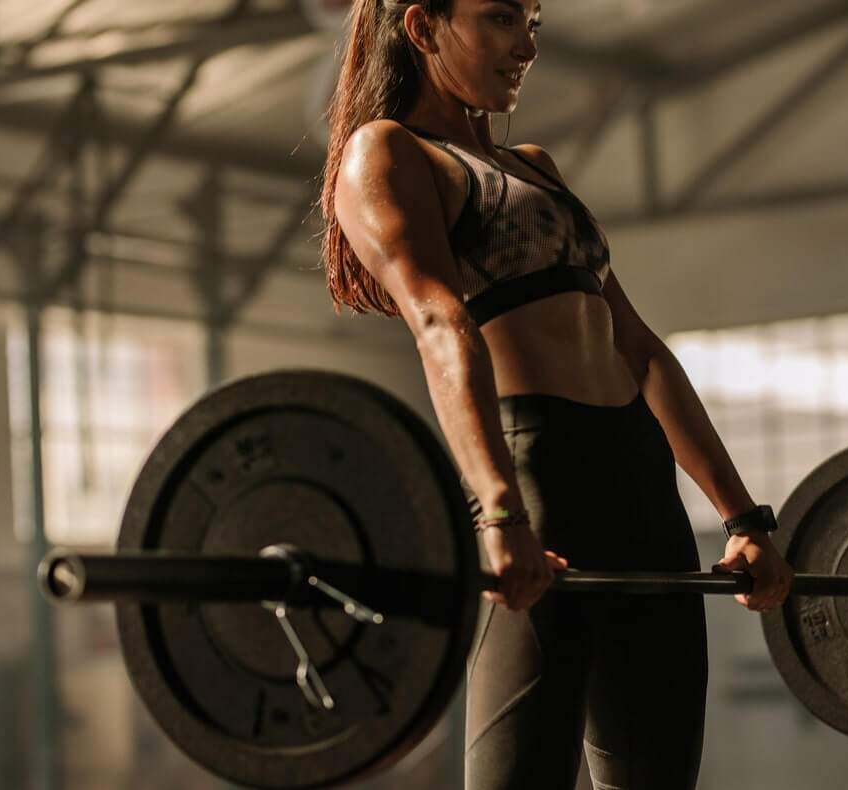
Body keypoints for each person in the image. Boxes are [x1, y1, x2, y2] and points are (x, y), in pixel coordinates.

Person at [318, 1, 794, 787]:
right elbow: (441, 325)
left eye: (535, 21)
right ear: (422, 26)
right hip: (542, 486)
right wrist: (498, 508)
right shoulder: (390, 154)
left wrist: (744, 518)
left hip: (643, 486)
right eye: (503, 18)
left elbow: (639, 352)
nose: (527, 45)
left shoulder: (535, 167)